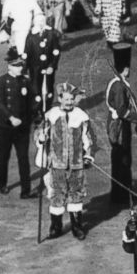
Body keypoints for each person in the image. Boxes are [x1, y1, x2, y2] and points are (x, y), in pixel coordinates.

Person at [37, 81, 93, 238]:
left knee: (76, 194)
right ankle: (56, 225)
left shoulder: (81, 116)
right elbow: (41, 133)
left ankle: (77, 226)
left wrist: (88, 155)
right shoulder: (51, 115)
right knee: (57, 194)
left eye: (71, 99)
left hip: (76, 163)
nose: (69, 102)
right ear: (60, 98)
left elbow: (87, 138)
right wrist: (41, 138)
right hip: (57, 163)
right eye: (66, 99)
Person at [0, 50, 34, 197]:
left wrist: (33, 119)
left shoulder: (25, 81)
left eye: (20, 65)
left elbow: (30, 103)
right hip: (5, 127)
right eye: (16, 66)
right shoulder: (1, 82)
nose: (20, 68)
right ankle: (2, 183)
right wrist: (10, 118)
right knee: (3, 156)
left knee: (23, 158)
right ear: (9, 66)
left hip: (22, 127)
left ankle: (26, 190)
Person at [104, 42, 137, 209]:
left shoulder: (119, 81)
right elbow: (122, 109)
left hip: (120, 123)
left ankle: (122, 192)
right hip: (119, 125)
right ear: (125, 68)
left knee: (122, 158)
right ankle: (120, 194)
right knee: (121, 158)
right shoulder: (118, 85)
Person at [24, 8, 61, 114]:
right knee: (35, 88)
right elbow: (26, 53)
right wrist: (24, 70)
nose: (40, 23)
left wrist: (52, 66)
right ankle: (37, 111)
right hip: (35, 67)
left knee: (49, 87)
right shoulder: (31, 36)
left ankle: (48, 108)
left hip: (48, 66)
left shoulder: (51, 34)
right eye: (38, 21)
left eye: (42, 21)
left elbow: (56, 51)